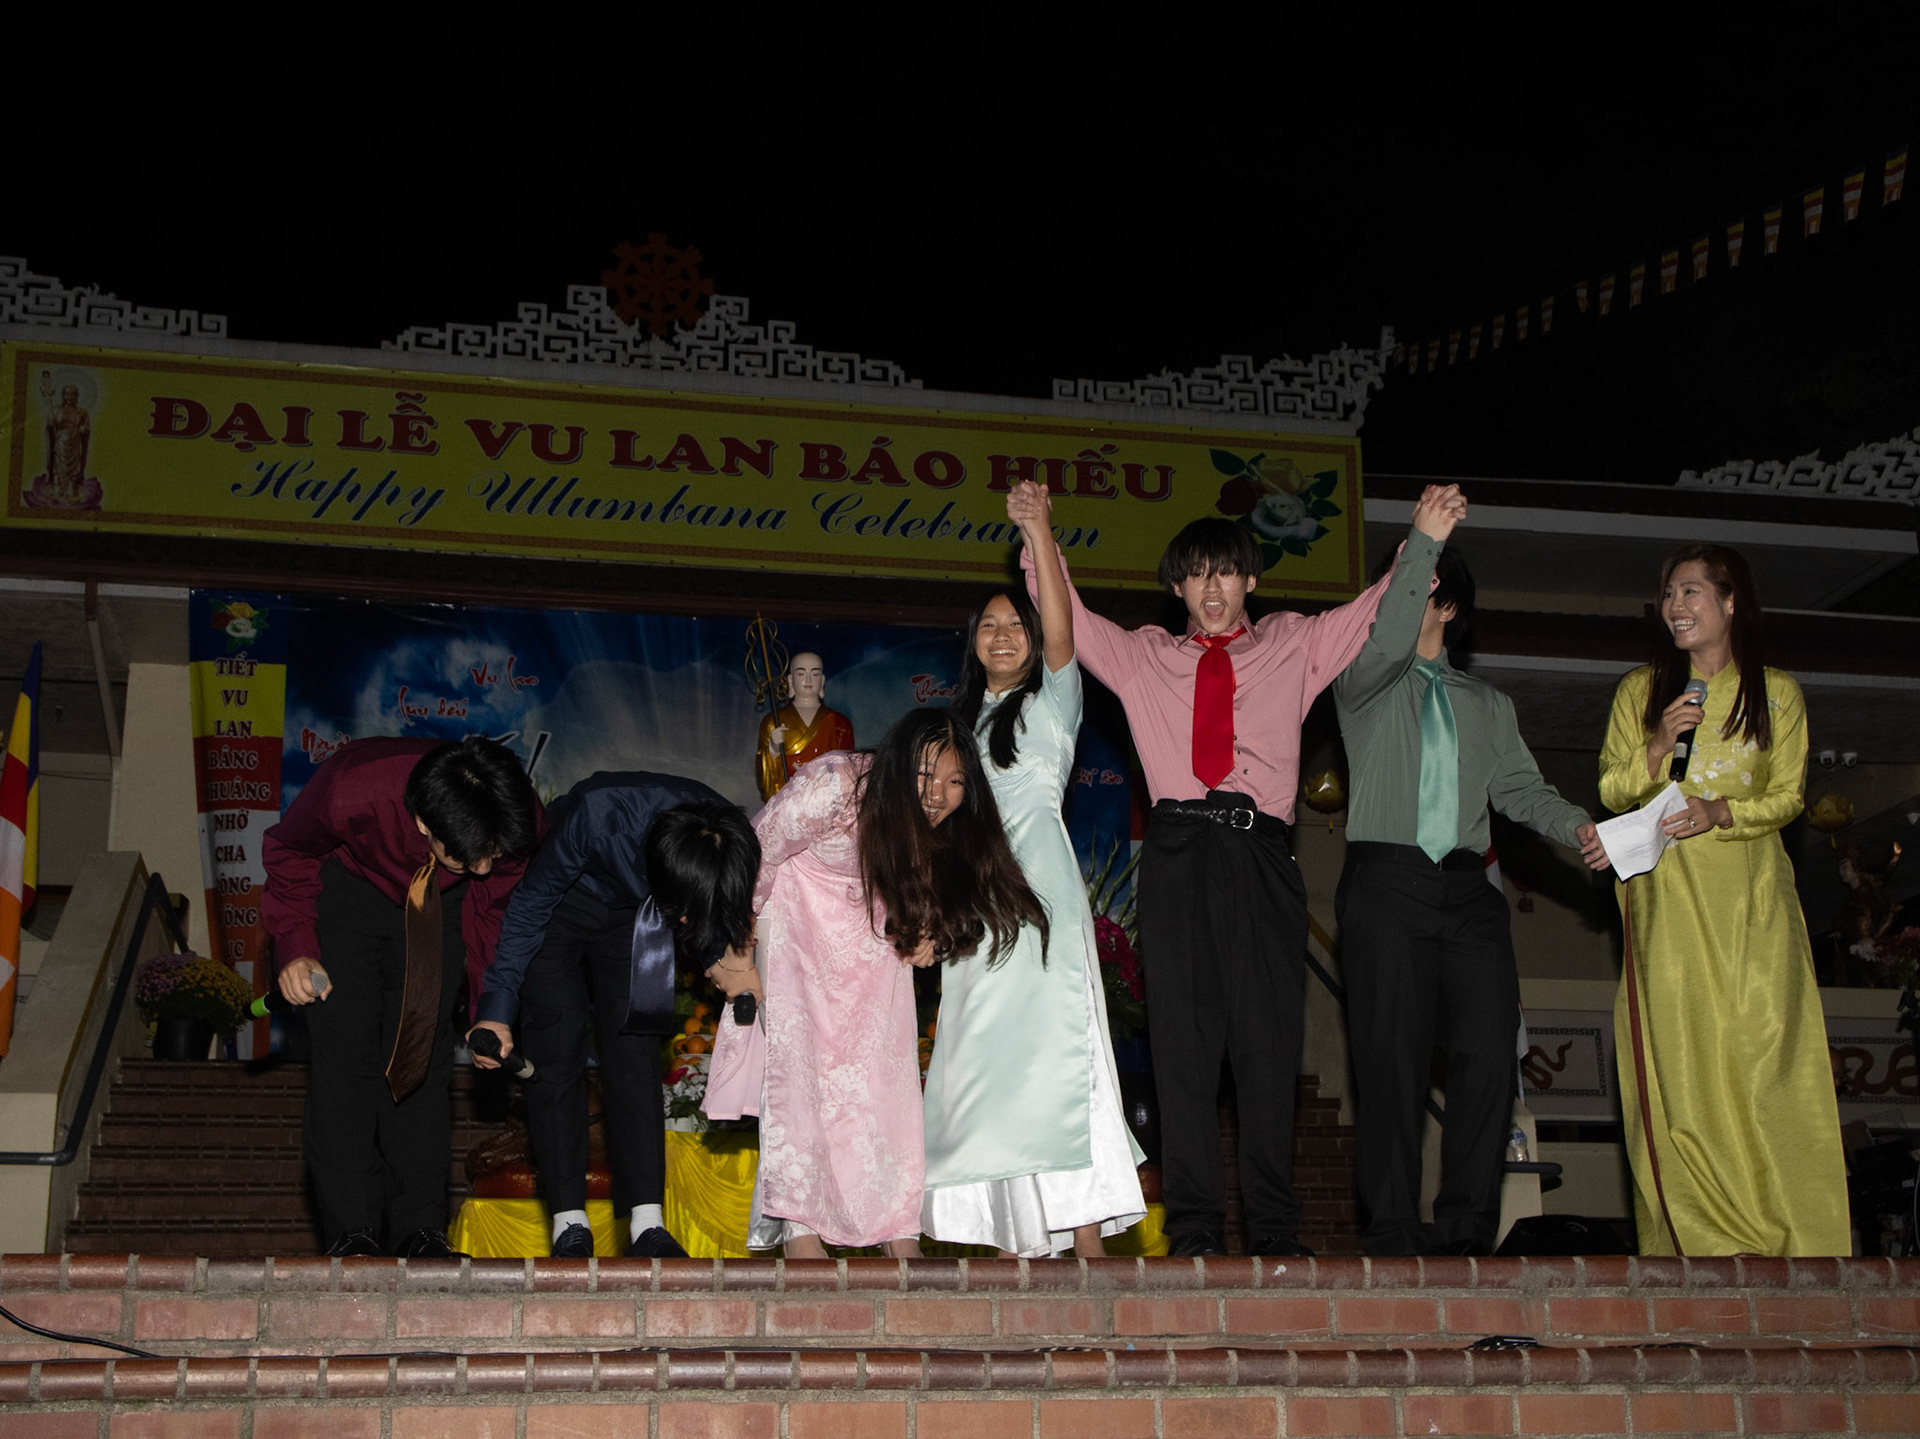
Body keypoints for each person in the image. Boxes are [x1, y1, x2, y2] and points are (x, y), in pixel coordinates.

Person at [1026, 483, 1466, 1257]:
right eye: (1197, 574)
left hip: (1261, 850)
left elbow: (1371, 611)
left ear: (1250, 579)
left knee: (1268, 1042)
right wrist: (1038, 532)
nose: (1213, 588)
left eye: (1226, 571)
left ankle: (1273, 1229)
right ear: (1176, 587)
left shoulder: (1294, 644)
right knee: (1183, 1047)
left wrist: (1422, 540)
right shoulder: (1143, 656)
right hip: (1176, 852)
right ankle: (1194, 1228)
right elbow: (1070, 617)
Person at [1333, 546, 1610, 1256]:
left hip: (1467, 890)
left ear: (1448, 606)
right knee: (1390, 1063)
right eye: (1389, 588)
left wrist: (1579, 827)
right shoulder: (1363, 679)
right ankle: (1393, 1232)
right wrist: (1420, 544)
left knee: (1488, 1056)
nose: (1393, 601)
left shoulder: (1489, 705)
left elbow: (1522, 790)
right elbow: (1385, 637)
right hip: (1386, 882)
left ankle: (1465, 1234)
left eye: (1414, 589)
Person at [707, 708, 1044, 1258]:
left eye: (955, 781)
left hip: (869, 929)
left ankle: (896, 1229)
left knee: (886, 1076)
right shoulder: (837, 785)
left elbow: (934, 888)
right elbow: (755, 852)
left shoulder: (939, 825)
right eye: (925, 773)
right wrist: (740, 951)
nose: (937, 794)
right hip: (791, 918)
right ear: (896, 764)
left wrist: (929, 927)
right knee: (800, 1070)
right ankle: (800, 1231)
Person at [1599, 543, 1848, 1256]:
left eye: (1690, 592)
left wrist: (1722, 812)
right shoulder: (1641, 692)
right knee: (1684, 1061)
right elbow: (1613, 788)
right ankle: (1703, 1239)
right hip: (1670, 900)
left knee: (1767, 1053)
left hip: (1752, 899)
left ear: (1731, 601)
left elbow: (1789, 796)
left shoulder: (1778, 693)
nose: (1675, 606)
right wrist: (1657, 743)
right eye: (1668, 595)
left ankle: (1796, 1236)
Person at [920, 483, 1147, 1257]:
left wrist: (1040, 531)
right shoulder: (954, 728)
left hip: (1043, 902)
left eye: (1015, 624)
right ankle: (1008, 1235)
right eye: (989, 625)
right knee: (980, 1067)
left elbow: (1061, 628)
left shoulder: (1053, 704)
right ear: (972, 643)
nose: (1003, 635)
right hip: (974, 911)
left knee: (1060, 1062)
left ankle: (1085, 1239)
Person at [264, 735, 541, 1257]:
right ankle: (352, 1232)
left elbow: (493, 907)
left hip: (445, 906)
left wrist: (489, 1009)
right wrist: (297, 947)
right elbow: (289, 852)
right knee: (345, 1062)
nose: (485, 866)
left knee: (420, 1057)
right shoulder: (350, 790)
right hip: (349, 896)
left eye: (493, 854)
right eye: (471, 855)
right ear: (422, 823)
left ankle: (421, 1230)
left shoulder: (511, 813)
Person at [467, 775, 759, 1259]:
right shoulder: (597, 818)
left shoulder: (731, 839)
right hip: (564, 905)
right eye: (685, 917)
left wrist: (727, 961)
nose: (687, 925)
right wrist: (496, 1009)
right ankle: (569, 1224)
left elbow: (717, 902)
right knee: (555, 1048)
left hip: (638, 918)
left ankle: (647, 1223)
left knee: (635, 1052)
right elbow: (530, 907)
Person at [756, 651, 855, 800]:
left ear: (822, 680)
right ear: (791, 680)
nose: (808, 679)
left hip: (824, 802)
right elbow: (764, 776)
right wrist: (773, 750)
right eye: (801, 674)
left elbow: (847, 772)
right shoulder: (773, 722)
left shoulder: (840, 723)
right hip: (789, 802)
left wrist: (817, 774)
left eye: (815, 674)